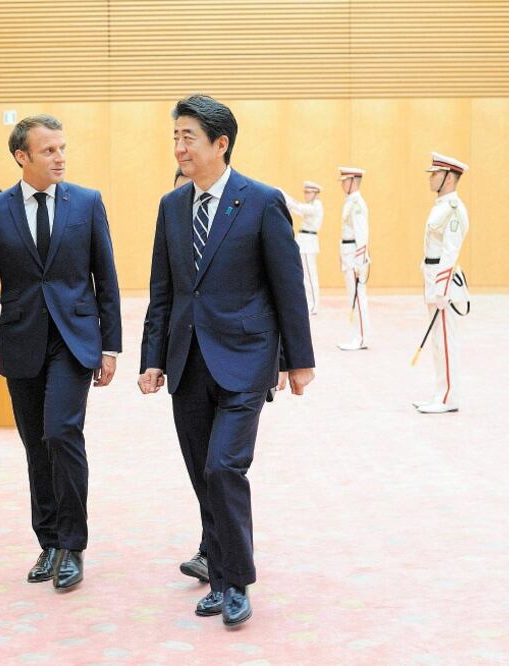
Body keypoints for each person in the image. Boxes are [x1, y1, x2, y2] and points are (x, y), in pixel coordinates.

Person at [138, 96, 315, 626]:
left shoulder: (260, 201)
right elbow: (162, 291)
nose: (179, 147)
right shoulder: (171, 207)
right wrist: (152, 358)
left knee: (224, 468)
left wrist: (297, 361)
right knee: (202, 474)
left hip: (246, 358)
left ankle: (235, 582)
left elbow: (288, 287)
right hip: (187, 361)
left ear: (221, 143)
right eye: (175, 137)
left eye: (188, 137)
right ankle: (217, 568)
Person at [0, 114, 122, 591]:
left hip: (74, 341)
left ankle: (73, 544)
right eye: (49, 150)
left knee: (62, 431)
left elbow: (105, 280)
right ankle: (48, 540)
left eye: (63, 148)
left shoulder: (87, 203)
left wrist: (109, 346)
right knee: (36, 444)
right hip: (24, 340)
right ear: (21, 156)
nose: (60, 157)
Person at [415, 152, 469, 414]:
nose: (430, 178)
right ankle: (440, 392)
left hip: (442, 284)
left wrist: (442, 289)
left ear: (449, 178)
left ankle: (448, 398)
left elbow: (450, 251)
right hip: (433, 279)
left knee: (445, 341)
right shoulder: (441, 206)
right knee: (438, 341)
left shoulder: (455, 210)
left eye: (435, 174)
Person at [337, 166, 370, 350]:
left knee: (358, 297)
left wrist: (359, 261)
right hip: (348, 253)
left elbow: (362, 234)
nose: (342, 184)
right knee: (353, 297)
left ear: (353, 181)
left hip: (354, 256)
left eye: (344, 180)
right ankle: (357, 335)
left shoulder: (357, 204)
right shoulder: (350, 201)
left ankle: (362, 337)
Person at [284, 181, 324, 314]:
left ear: (315, 193)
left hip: (309, 242)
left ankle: (314, 305)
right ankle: (310, 302)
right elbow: (296, 209)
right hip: (304, 241)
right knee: (305, 275)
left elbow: (299, 208)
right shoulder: (310, 206)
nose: (306, 195)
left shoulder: (316, 205)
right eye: (305, 192)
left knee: (310, 276)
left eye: (308, 192)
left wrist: (284, 195)